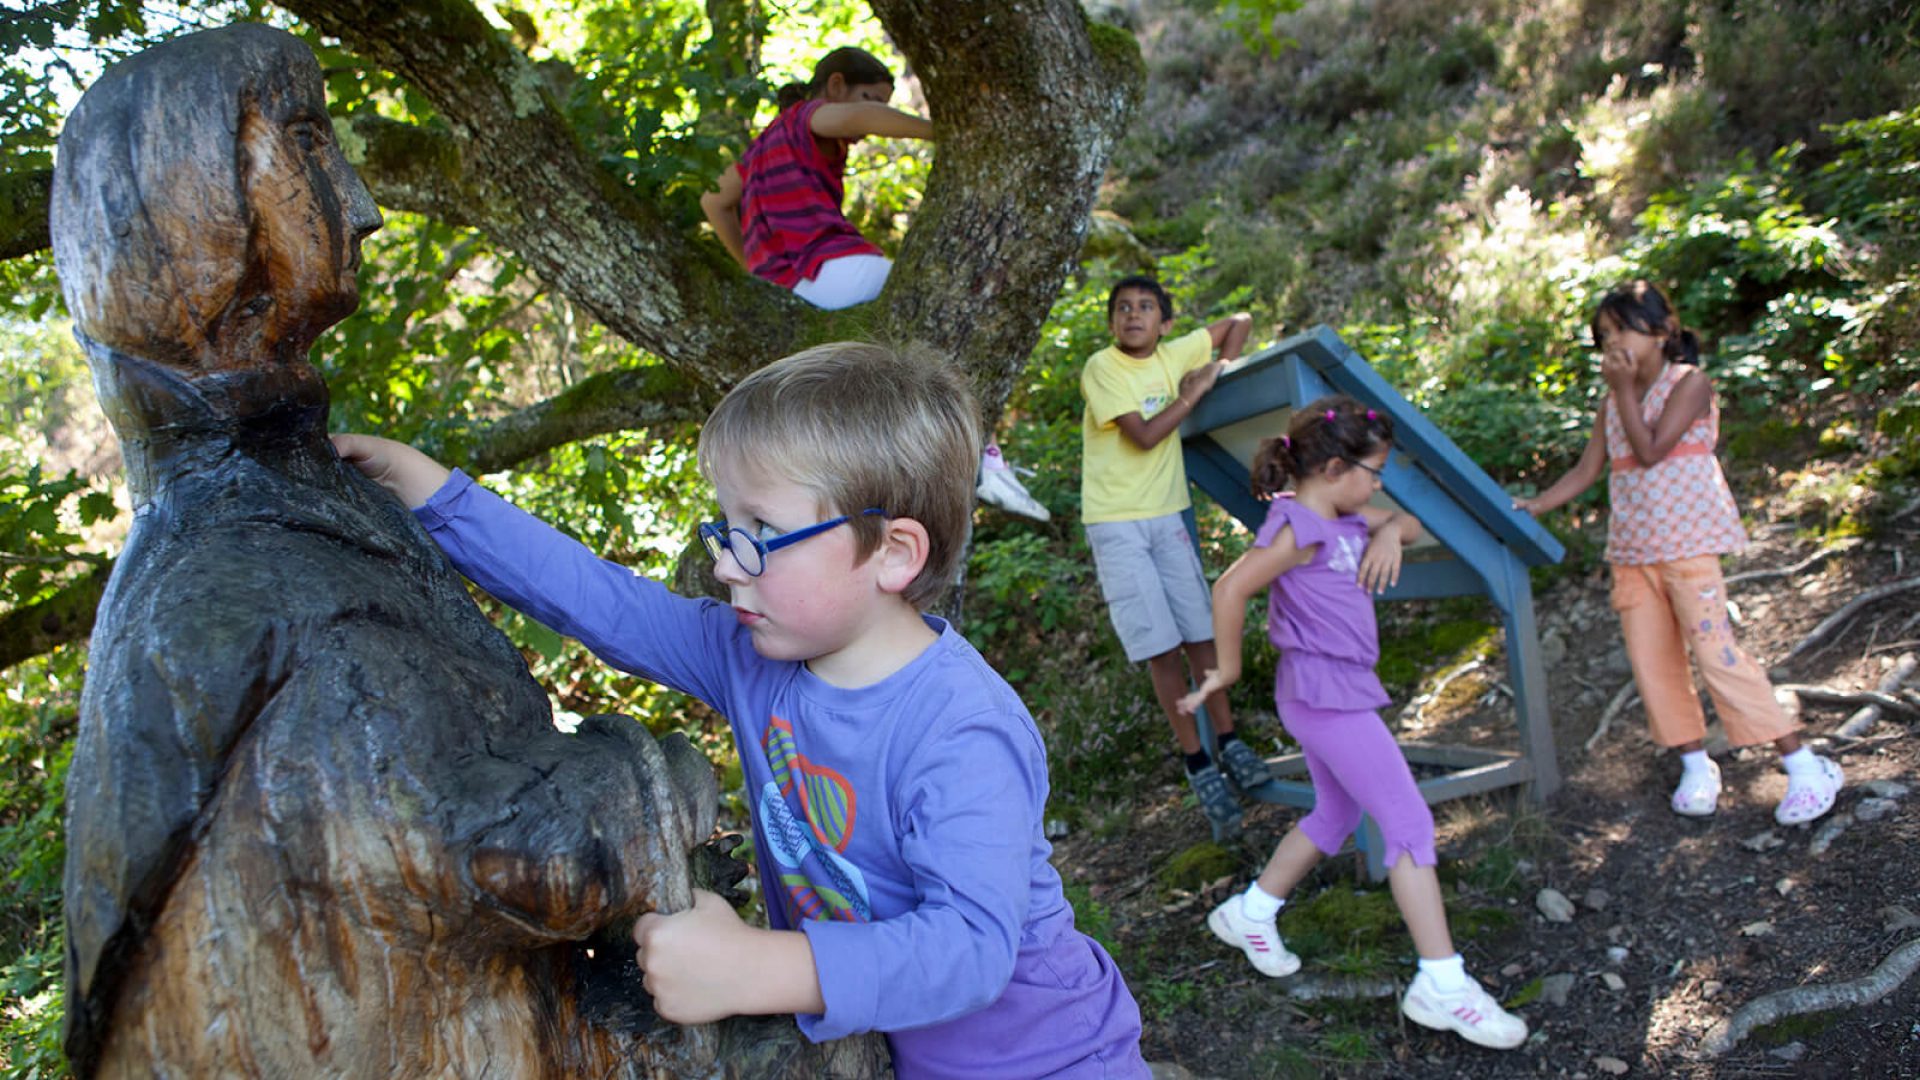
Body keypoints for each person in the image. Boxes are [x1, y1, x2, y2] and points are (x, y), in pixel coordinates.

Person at [335, 342, 1149, 1078]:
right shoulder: (754, 657)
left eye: (761, 528)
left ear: (893, 553)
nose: (726, 562)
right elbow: (604, 604)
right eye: (726, 523)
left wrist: (754, 967)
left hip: (1051, 1059)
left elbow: (972, 950)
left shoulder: (960, 729)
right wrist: (432, 493)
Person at [1177, 397, 1530, 1051]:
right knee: (1410, 824)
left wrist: (1389, 528)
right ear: (1336, 467)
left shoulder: (1342, 516)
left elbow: (1410, 521)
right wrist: (1224, 670)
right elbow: (1231, 589)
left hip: (1338, 691)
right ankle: (1442, 984)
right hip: (1323, 696)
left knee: (1336, 815)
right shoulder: (1299, 525)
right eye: (1373, 473)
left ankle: (1250, 913)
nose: (1378, 485)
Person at [1515, 280, 1843, 825]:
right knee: (1652, 663)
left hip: (1689, 548)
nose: (1611, 342)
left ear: (1663, 331)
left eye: (1621, 329)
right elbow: (1587, 469)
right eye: (1603, 335)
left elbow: (1649, 450)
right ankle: (1695, 763)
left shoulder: (1689, 383)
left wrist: (1621, 390)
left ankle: (1805, 765)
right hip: (1633, 553)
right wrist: (1537, 505)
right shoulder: (1609, 404)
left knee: (1718, 654)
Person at [700, 46, 1050, 521]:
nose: (870, 121)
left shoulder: (761, 147)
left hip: (787, 292)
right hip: (834, 267)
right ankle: (983, 460)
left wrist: (752, 268)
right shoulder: (809, 117)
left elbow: (714, 202)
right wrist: (942, 132)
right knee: (944, 318)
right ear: (838, 86)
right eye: (873, 98)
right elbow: (857, 116)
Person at [1080, 274, 1268, 836]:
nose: (1132, 315)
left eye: (1145, 308)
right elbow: (1142, 436)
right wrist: (1194, 392)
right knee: (1161, 646)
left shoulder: (1175, 351)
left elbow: (1240, 324)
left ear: (1164, 323)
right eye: (1122, 308)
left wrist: (1222, 370)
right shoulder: (1103, 367)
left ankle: (1229, 739)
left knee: (1199, 633)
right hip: (1116, 523)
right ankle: (1197, 761)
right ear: (1112, 322)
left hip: (1168, 515)